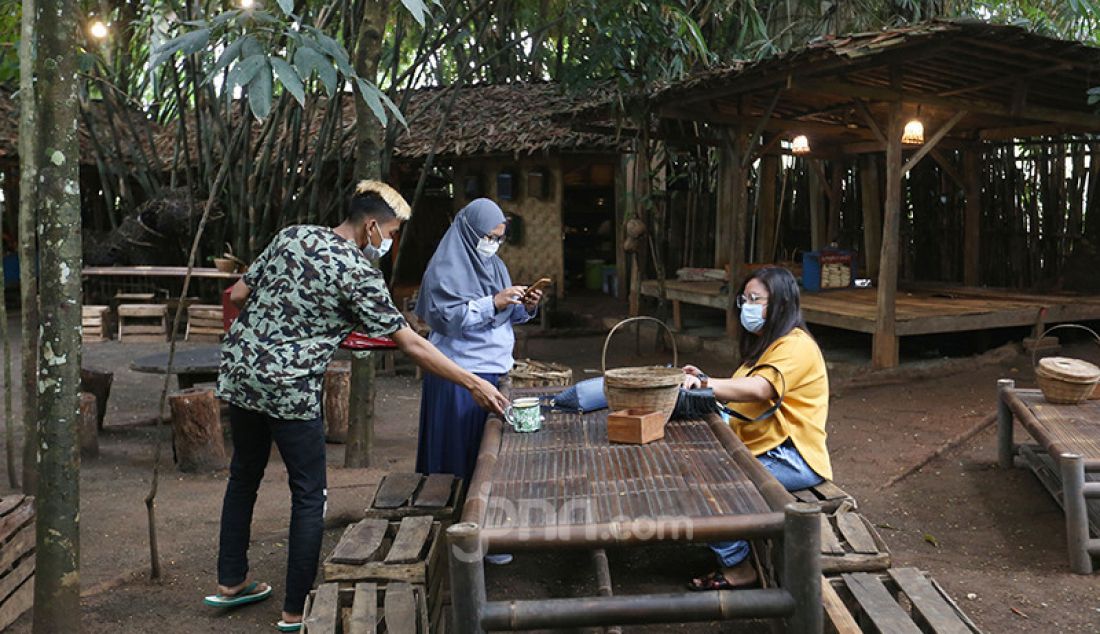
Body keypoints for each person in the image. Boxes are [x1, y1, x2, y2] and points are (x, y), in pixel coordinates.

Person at [206, 181, 509, 631]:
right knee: (310, 495)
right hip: (289, 389)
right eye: (390, 232)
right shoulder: (357, 272)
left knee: (243, 476)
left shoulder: (293, 235)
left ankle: (231, 582)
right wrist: (472, 383)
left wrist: (304, 322)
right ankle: (293, 611)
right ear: (371, 226)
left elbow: (237, 295)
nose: (389, 242)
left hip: (240, 375)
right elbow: (412, 346)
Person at [682, 266, 831, 590]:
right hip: (765, 447)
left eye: (756, 299)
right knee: (698, 472)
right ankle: (729, 546)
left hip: (793, 456)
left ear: (780, 303)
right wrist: (704, 379)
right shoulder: (767, 345)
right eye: (744, 299)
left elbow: (761, 389)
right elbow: (741, 392)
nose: (747, 306)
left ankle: (738, 566)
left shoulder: (796, 345)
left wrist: (705, 383)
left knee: (713, 487)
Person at [414, 198, 541, 481]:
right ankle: (454, 516)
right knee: (456, 465)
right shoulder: (443, 269)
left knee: (485, 457)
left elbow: (502, 315)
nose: (493, 244)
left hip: (494, 372)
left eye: (498, 238)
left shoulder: (494, 265)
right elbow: (447, 319)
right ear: (469, 232)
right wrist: (494, 302)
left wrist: (526, 306)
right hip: (459, 378)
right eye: (488, 237)